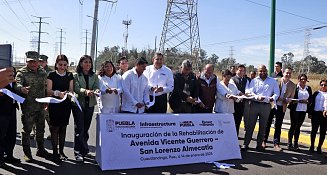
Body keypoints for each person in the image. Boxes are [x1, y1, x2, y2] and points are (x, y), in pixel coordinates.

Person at [14, 51, 49, 162]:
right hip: (28, 107)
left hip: (41, 106)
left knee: (40, 129)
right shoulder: (22, 72)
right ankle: (27, 153)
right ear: (27, 61)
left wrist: (47, 100)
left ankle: (40, 149)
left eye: (35, 61)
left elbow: (45, 86)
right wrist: (21, 89)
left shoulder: (42, 72)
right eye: (31, 61)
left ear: (39, 62)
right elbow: (17, 84)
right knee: (27, 130)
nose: (33, 64)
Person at [241, 65, 279, 152]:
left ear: (267, 71)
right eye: (261, 71)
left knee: (263, 126)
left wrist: (273, 98)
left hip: (266, 106)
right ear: (258, 71)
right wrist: (257, 97)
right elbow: (249, 92)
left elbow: (276, 92)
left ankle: (259, 145)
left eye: (264, 71)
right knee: (250, 125)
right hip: (254, 104)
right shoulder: (254, 81)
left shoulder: (272, 81)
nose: (263, 73)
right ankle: (246, 144)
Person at [72, 55, 100, 161]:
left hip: (90, 104)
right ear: (80, 64)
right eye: (85, 62)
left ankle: (84, 150)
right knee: (79, 128)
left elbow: (96, 86)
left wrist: (96, 91)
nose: (88, 64)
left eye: (89, 62)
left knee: (86, 129)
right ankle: (78, 152)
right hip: (78, 104)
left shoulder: (94, 76)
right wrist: (86, 91)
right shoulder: (75, 75)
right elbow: (76, 88)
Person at [46, 54, 73, 163]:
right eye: (60, 64)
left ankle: (61, 152)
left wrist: (68, 93)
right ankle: (55, 153)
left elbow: (71, 90)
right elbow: (49, 91)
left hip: (65, 105)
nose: (62, 67)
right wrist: (57, 93)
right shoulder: (51, 75)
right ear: (56, 64)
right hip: (55, 104)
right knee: (55, 128)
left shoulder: (70, 75)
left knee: (63, 128)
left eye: (65, 65)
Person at [263, 67, 296, 151]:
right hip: (272, 105)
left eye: (290, 73)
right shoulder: (275, 81)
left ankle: (276, 143)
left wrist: (289, 100)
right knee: (267, 123)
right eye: (286, 73)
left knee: (278, 125)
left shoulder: (293, 85)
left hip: (282, 107)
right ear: (283, 72)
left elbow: (291, 97)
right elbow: (270, 92)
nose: (288, 75)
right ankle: (264, 141)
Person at [0, 67, 20, 167]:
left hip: (12, 109)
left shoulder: (14, 82)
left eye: (13, 73)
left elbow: (16, 92)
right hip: (2, 111)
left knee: (11, 134)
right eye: (10, 73)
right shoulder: (1, 81)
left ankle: (9, 155)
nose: (12, 74)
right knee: (1, 135)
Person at [287, 74, 312, 151]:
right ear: (299, 80)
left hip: (303, 109)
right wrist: (298, 101)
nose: (303, 81)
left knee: (298, 127)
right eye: (301, 79)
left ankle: (296, 144)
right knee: (293, 126)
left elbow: (311, 98)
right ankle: (289, 143)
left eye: (304, 79)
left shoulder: (308, 88)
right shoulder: (295, 87)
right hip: (295, 109)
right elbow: (291, 97)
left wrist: (307, 101)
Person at [308, 79, 327, 154]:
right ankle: (312, 146)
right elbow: (311, 103)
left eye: (325, 85)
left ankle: (319, 147)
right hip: (315, 114)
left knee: (322, 132)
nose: (323, 86)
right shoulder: (316, 93)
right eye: (322, 85)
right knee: (314, 131)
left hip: (324, 115)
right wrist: (310, 113)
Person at [231, 65, 248, 135]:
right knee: (232, 123)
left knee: (238, 122)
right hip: (233, 104)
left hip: (242, 104)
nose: (241, 72)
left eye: (243, 71)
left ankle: (236, 138)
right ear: (236, 71)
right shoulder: (232, 79)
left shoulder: (246, 80)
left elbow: (247, 90)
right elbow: (233, 90)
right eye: (240, 70)